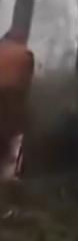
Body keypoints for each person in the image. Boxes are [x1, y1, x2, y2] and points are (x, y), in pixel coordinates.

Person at [0, 27, 35, 181]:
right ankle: (8, 177)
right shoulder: (26, 55)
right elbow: (26, 84)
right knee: (10, 140)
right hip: (14, 104)